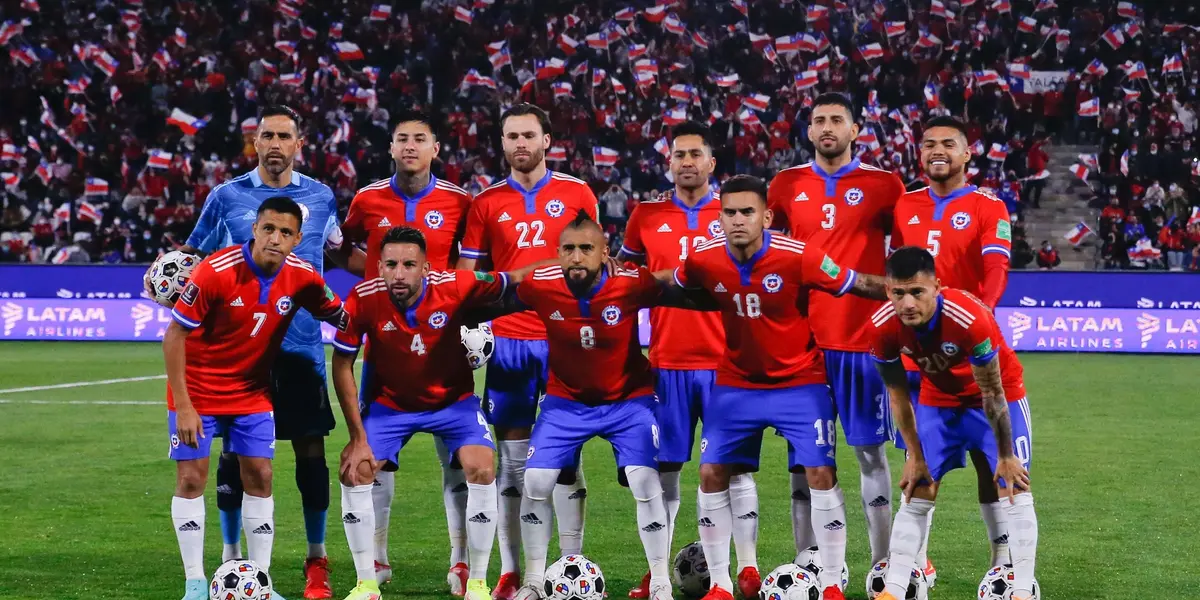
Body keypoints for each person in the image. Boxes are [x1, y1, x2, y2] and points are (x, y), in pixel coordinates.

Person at [149, 105, 355, 599]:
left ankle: (306, 563)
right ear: (256, 142)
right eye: (267, 135)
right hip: (220, 366)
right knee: (215, 469)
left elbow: (340, 270)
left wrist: (401, 290)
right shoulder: (226, 202)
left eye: (285, 135)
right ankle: (213, 570)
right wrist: (167, 278)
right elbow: (192, 260)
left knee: (290, 462)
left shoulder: (321, 200)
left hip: (297, 356)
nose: (276, 143)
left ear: (299, 142)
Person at [669, 175, 888, 600]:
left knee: (821, 473)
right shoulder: (704, 259)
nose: (737, 220)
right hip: (735, 383)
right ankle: (720, 584)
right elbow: (670, 283)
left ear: (766, 216)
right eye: (729, 212)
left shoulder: (800, 256)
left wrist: (909, 292)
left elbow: (857, 282)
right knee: (712, 472)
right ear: (720, 216)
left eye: (747, 212)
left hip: (799, 383)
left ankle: (829, 585)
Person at [330, 226, 539, 600]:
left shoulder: (456, 285)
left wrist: (570, 264)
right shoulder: (363, 297)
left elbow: (515, 279)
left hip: (453, 404)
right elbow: (342, 364)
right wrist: (358, 438)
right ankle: (365, 583)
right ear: (378, 267)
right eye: (391, 264)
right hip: (391, 406)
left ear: (426, 268)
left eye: (409, 264)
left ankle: (476, 581)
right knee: (355, 471)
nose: (399, 273)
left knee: (482, 466)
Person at [510, 212, 710, 600]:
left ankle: (661, 582)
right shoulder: (540, 284)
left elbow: (679, 290)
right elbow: (499, 292)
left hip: (628, 400)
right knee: (534, 482)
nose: (577, 256)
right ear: (557, 254)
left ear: (605, 252)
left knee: (644, 480)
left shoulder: (630, 281)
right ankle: (534, 582)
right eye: (568, 249)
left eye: (587, 248)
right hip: (565, 401)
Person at [456, 103, 599, 600]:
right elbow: (468, 276)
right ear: (502, 143)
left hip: (564, 337)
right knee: (514, 462)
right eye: (511, 136)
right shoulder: (486, 203)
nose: (520, 143)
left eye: (528, 135)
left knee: (567, 457)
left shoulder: (576, 193)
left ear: (547, 141)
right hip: (511, 340)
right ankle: (515, 572)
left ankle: (570, 564)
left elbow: (595, 264)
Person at [618, 121, 762, 599]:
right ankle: (658, 570)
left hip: (727, 365)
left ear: (711, 162)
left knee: (733, 468)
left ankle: (748, 569)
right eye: (679, 154)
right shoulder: (645, 215)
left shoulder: (736, 213)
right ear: (669, 161)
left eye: (695, 154)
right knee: (666, 469)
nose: (686, 162)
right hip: (667, 362)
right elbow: (626, 284)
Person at [766, 93, 906, 574]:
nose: (827, 127)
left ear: (855, 130)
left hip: (863, 342)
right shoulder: (785, 185)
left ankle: (883, 561)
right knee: (805, 462)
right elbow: (770, 254)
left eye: (836, 120)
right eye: (819, 120)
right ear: (808, 131)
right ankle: (809, 562)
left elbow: (905, 259)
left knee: (870, 455)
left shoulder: (885, 185)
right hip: (801, 344)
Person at [336, 111, 475, 592]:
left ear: (436, 147)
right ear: (390, 148)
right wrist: (377, 282)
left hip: (445, 343)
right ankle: (375, 559)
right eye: (402, 139)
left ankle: (461, 560)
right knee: (378, 460)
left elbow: (472, 267)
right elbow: (343, 248)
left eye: (420, 138)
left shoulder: (459, 200)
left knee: (458, 459)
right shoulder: (368, 198)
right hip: (386, 347)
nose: (410, 146)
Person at [868, 247, 1038, 600]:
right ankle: (895, 589)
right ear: (888, 291)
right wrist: (914, 454)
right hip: (939, 400)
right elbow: (898, 396)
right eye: (898, 293)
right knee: (918, 487)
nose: (908, 303)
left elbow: (992, 391)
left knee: (1015, 486)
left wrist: (1006, 454)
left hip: (995, 396)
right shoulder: (882, 326)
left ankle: (1021, 589)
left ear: (937, 287)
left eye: (917, 292)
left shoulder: (970, 317)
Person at [889, 116, 1014, 579]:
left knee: (989, 460)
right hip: (919, 355)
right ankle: (916, 563)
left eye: (948, 144)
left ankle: (1002, 564)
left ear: (966, 154)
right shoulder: (905, 205)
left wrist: (982, 313)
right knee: (919, 460)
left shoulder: (988, 205)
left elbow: (996, 267)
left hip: (969, 348)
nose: (936, 151)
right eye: (928, 144)